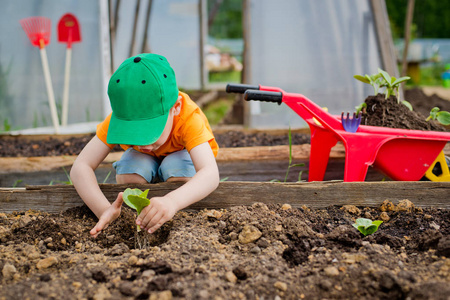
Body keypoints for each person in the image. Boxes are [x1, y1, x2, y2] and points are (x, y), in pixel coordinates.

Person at [70, 53, 220, 237]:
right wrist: (103, 209)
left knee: (177, 168)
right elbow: (81, 167)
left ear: (176, 107)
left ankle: (171, 210)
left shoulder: (189, 119)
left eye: (150, 130)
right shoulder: (121, 115)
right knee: (129, 172)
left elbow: (210, 173)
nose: (143, 143)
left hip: (180, 156)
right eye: (134, 132)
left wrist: (172, 201)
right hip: (146, 161)